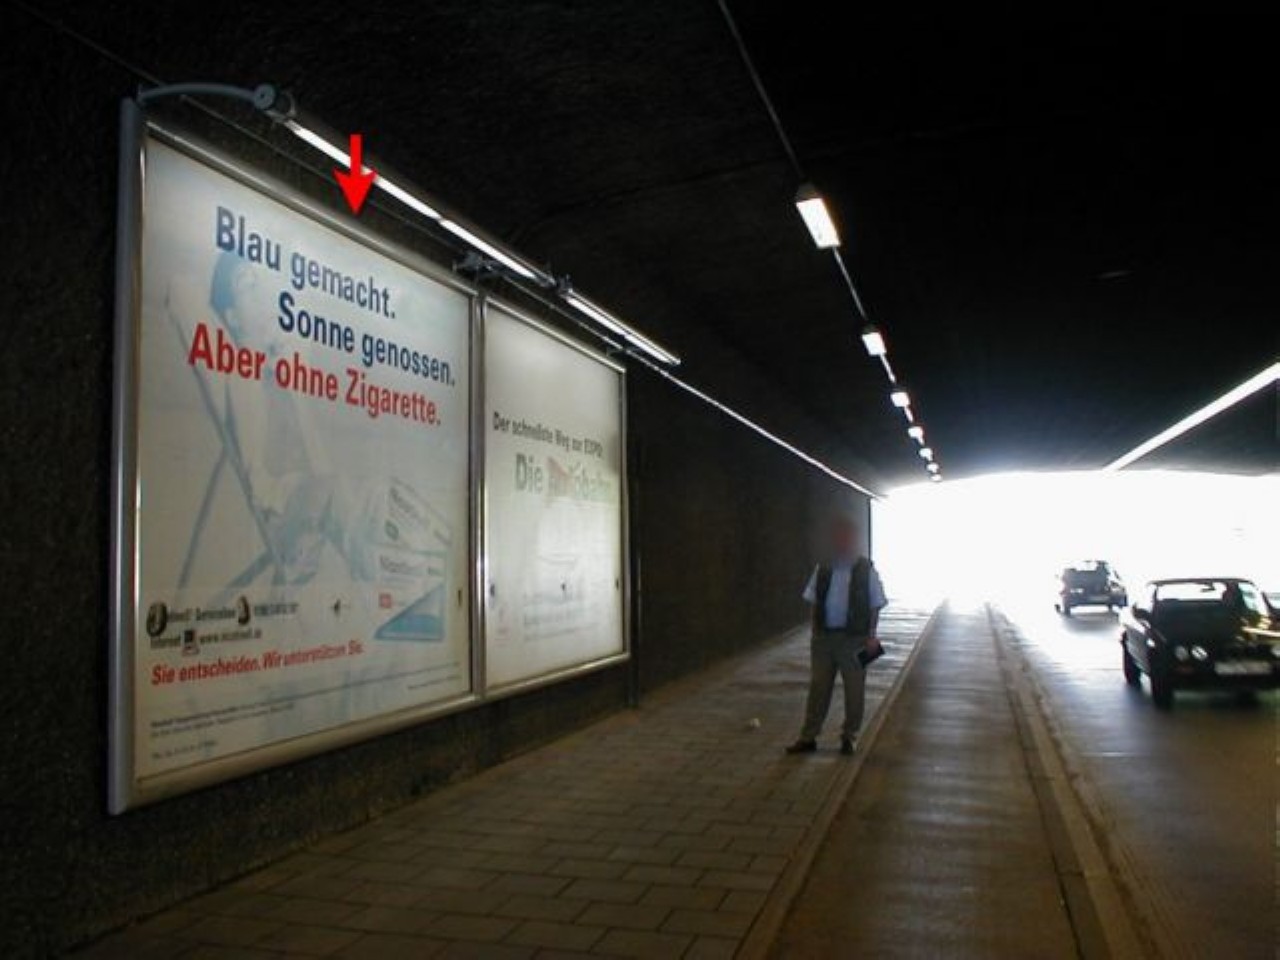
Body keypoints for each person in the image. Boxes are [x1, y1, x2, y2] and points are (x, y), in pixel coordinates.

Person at [786, 514, 887, 756]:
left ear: (854, 540)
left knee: (854, 689)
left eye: (847, 537)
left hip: (855, 640)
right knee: (818, 688)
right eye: (839, 537)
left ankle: (849, 737)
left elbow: (875, 604)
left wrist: (871, 636)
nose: (842, 542)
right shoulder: (823, 568)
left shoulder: (866, 570)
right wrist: (815, 632)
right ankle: (808, 737)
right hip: (824, 639)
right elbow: (813, 599)